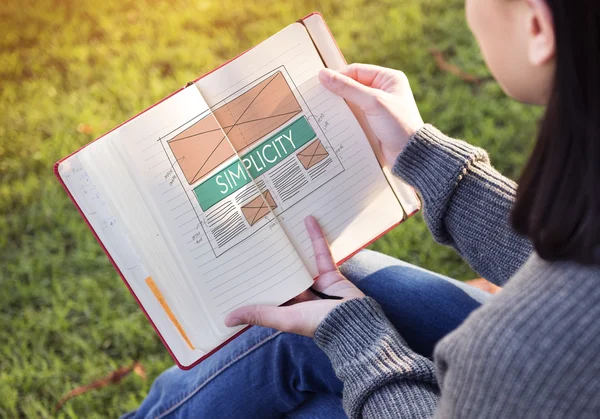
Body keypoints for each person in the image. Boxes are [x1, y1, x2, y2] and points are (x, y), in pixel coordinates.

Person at [125, 0, 599, 417]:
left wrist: (359, 340)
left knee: (305, 352)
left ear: (537, 27)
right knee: (338, 286)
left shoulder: (519, 348)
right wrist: (425, 157)